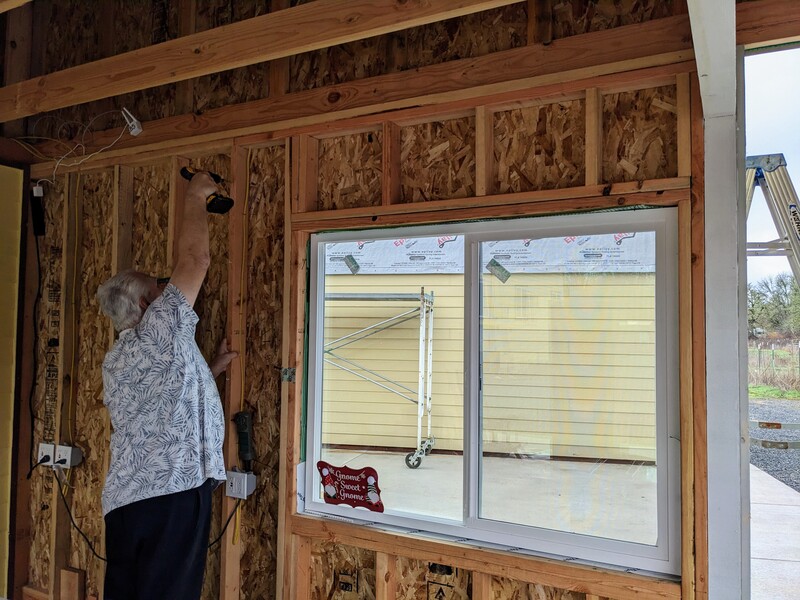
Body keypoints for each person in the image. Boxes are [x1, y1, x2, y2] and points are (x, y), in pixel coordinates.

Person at [96, 172, 237, 600]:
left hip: (128, 501)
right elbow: (196, 262)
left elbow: (161, 401)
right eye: (160, 285)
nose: (168, 287)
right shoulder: (160, 329)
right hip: (172, 495)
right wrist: (196, 194)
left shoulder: (117, 358)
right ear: (145, 305)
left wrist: (208, 370)